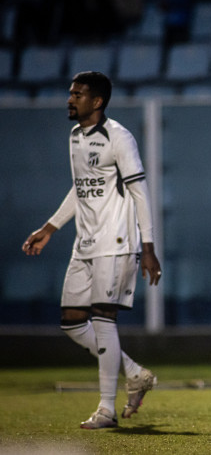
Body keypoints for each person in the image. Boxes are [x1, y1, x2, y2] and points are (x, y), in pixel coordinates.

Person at [22, 71, 161, 429]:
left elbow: (140, 193)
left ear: (97, 101)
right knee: (71, 322)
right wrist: (50, 227)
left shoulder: (119, 138)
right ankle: (134, 373)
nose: (70, 99)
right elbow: (80, 188)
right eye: (71, 93)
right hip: (84, 242)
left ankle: (106, 410)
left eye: (77, 94)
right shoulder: (75, 137)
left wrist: (148, 247)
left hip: (115, 242)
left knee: (102, 320)